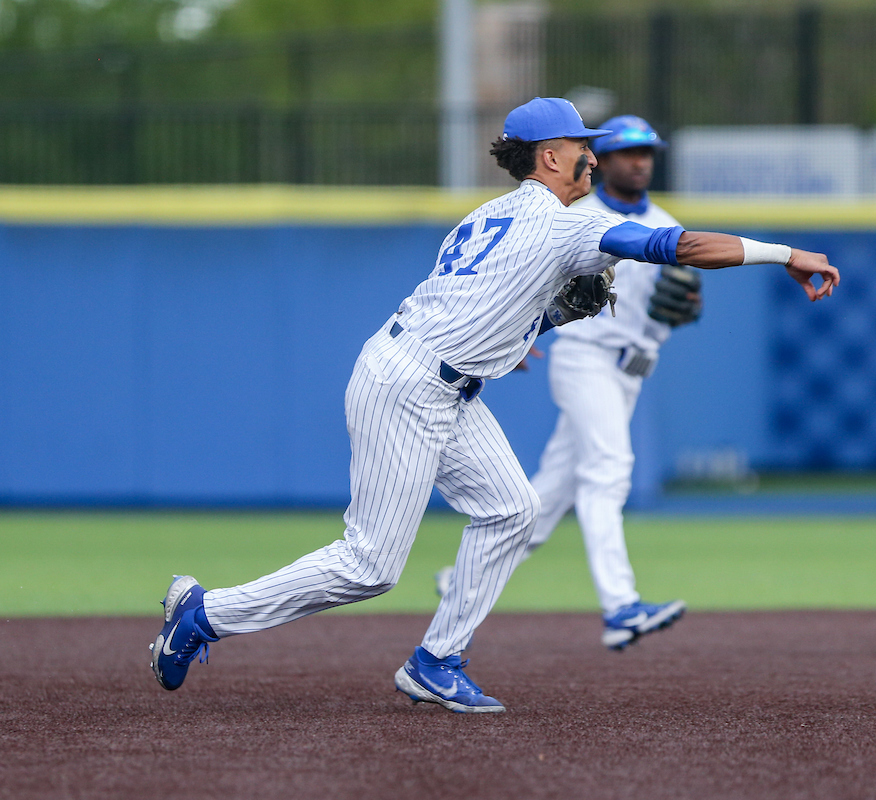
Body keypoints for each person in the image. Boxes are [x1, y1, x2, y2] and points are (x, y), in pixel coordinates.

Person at [150, 97, 839, 714]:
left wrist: (533, 327)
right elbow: (679, 247)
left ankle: (436, 661)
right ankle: (204, 614)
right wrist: (787, 254)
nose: (592, 157)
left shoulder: (490, 215)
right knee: (370, 566)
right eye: (581, 147)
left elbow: (488, 304)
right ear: (550, 157)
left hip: (434, 376)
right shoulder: (571, 226)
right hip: (410, 386)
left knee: (512, 510)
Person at [473, 115, 701, 650]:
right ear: (606, 160)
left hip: (632, 369)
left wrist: (683, 309)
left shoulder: (665, 222)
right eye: (626, 153)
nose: (638, 161)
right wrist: (517, 328)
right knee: (608, 469)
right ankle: (621, 607)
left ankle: (462, 579)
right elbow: (522, 277)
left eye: (647, 151)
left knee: (554, 488)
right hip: (585, 358)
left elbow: (668, 305)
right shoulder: (578, 215)